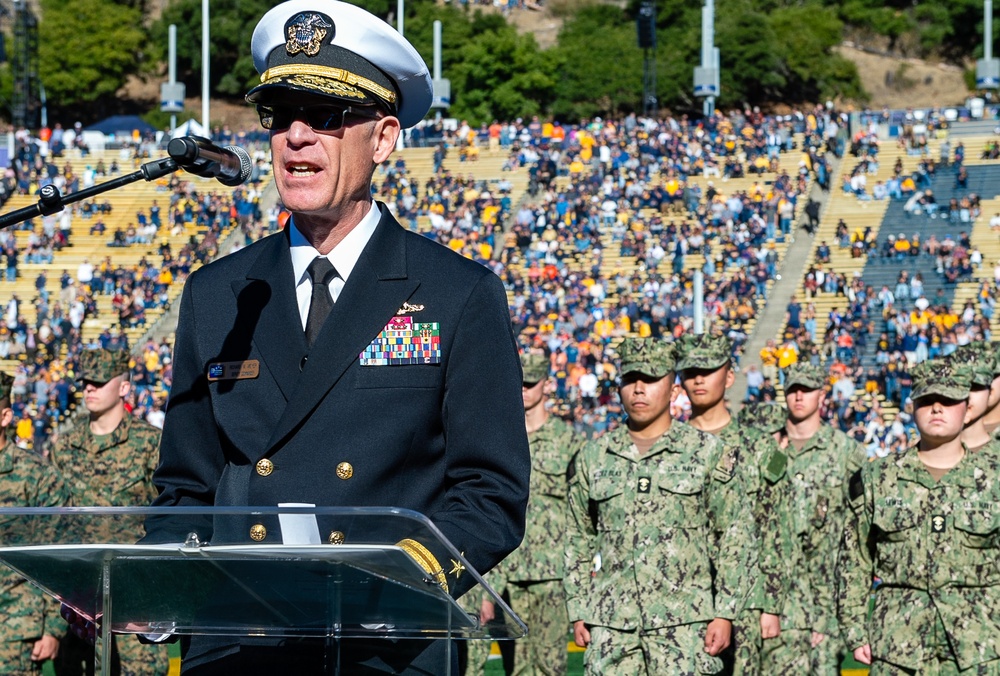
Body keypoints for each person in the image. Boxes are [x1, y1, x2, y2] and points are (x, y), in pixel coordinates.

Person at [144, 1, 530, 673]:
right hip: (240, 644)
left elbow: (490, 492)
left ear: (382, 140)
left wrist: (398, 577)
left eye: (324, 117)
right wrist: (155, 580)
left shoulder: (455, 292)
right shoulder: (217, 294)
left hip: (385, 643)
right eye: (280, 115)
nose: (297, 136)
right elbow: (185, 486)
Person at [564, 338, 751, 675]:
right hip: (612, 627)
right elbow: (577, 536)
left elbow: (734, 536)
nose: (639, 389)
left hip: (685, 627)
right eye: (630, 379)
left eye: (650, 380)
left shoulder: (707, 452)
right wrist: (579, 607)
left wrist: (725, 612)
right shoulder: (594, 456)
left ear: (673, 390)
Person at [839, 359, 1000, 673]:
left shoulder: (994, 479)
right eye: (927, 401)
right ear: (912, 408)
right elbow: (853, 558)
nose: (937, 408)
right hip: (898, 647)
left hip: (980, 647)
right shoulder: (878, 476)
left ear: (968, 410)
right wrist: (854, 629)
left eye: (949, 400)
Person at [49, 349, 168, 676]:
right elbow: (54, 527)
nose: (89, 389)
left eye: (99, 382)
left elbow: (166, 520)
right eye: (85, 382)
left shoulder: (150, 443)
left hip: (134, 605)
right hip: (78, 605)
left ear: (124, 388)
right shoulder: (64, 446)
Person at [675, 333, 787, 676]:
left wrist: (771, 604)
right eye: (690, 371)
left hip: (745, 600)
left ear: (729, 377)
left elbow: (774, 529)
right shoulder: (670, 447)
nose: (698, 378)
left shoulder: (759, 448)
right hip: (680, 597)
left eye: (708, 369)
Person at [472, 353, 578, 676]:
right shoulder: (499, 439)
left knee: (550, 667)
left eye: (530, 384)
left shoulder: (568, 441)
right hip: (502, 572)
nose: (523, 391)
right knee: (507, 667)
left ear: (545, 385)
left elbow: (580, 511)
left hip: (550, 573)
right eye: (519, 383)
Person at [758, 363, 865, 674]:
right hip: (775, 603)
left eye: (807, 389)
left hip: (826, 603)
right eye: (793, 389)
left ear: (822, 394)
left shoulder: (845, 451)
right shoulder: (766, 448)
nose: (799, 395)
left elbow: (859, 530)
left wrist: (836, 614)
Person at [0, 371, 69, 675]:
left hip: (15, 632)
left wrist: (53, 628)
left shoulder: (36, 474)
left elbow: (61, 552)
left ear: (5, 417)